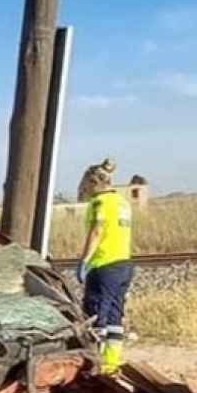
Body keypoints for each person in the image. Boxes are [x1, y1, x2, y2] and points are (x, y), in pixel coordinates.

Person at [75, 158, 134, 375]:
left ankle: (94, 364)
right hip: (124, 265)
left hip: (104, 265)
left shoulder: (100, 203)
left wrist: (85, 260)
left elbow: (97, 231)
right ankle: (111, 363)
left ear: (93, 182)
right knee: (115, 316)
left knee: (96, 314)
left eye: (86, 184)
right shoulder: (122, 202)